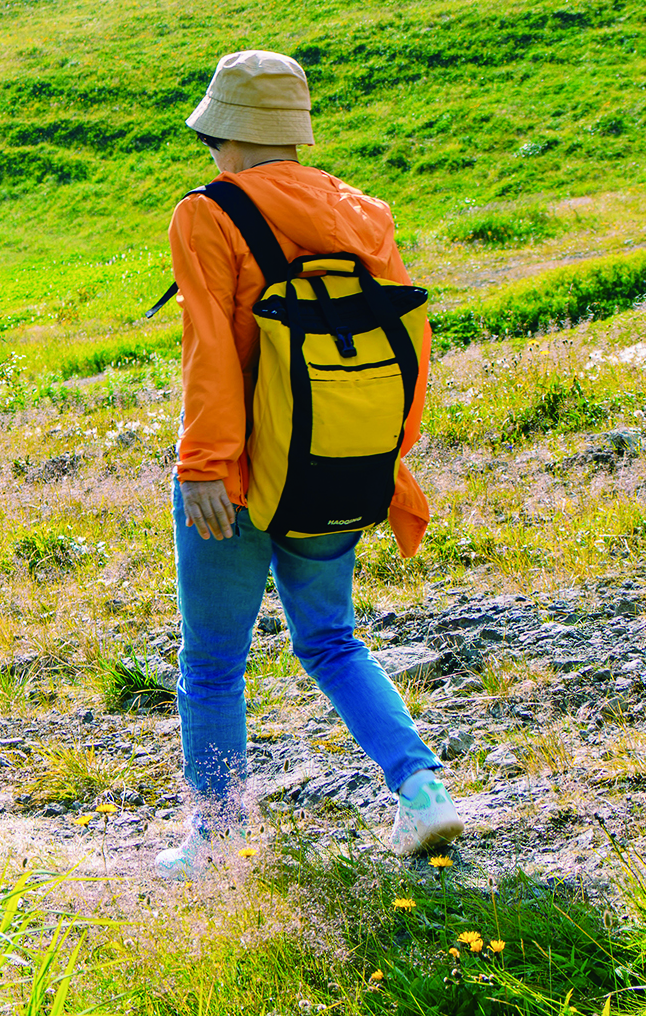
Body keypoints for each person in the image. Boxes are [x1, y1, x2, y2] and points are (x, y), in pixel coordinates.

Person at [156, 49, 459, 878]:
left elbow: (210, 351)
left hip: (243, 479)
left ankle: (215, 840)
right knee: (330, 640)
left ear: (227, 136)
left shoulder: (206, 214)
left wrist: (203, 465)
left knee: (212, 663)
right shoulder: (361, 211)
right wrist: (383, 457)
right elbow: (411, 341)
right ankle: (422, 789)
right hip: (338, 462)